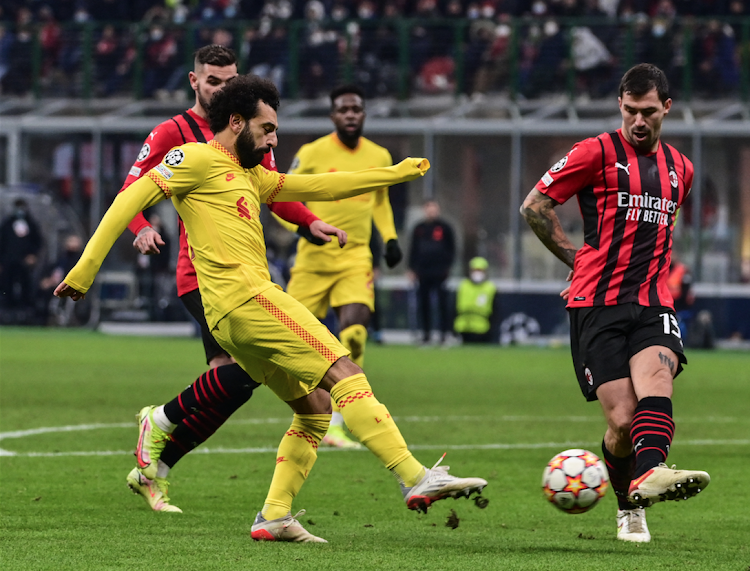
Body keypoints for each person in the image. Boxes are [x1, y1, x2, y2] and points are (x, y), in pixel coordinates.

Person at [55, 74, 487, 543]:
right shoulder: (195, 158)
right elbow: (128, 200)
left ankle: (274, 516)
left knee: (316, 408)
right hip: (248, 299)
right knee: (343, 370)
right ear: (236, 122)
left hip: (232, 317)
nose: (274, 138)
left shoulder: (252, 174)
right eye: (267, 129)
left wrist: (395, 173)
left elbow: (317, 186)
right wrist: (84, 271)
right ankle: (414, 476)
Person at [118, 45, 346, 513]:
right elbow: (132, 187)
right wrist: (141, 229)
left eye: (230, 80)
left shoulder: (250, 128)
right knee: (242, 374)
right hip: (201, 274)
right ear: (194, 81)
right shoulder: (173, 132)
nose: (222, 89)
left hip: (245, 276)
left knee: (234, 386)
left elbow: (274, 190)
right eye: (214, 81)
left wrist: (307, 222)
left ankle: (154, 468)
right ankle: (157, 422)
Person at [520, 63, 710, 544]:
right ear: (619, 106)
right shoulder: (594, 152)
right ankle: (629, 505)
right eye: (630, 111)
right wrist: (574, 257)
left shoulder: (681, 171)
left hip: (651, 301)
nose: (638, 121)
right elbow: (534, 207)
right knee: (622, 421)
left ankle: (650, 474)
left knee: (658, 381)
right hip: (596, 303)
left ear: (666, 108)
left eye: (649, 111)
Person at [284, 84, 404, 449]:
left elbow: (380, 201)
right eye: (343, 109)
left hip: (354, 257)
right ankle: (308, 411)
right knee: (289, 343)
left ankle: (338, 421)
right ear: (333, 115)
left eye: (356, 109)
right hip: (312, 262)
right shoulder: (312, 152)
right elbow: (282, 194)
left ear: (364, 113)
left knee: (353, 331)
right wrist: (301, 228)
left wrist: (390, 238)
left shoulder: (379, 154)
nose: (351, 114)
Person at [408, 200, 456, 344]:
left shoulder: (445, 227)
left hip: (440, 272)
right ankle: (426, 334)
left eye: (434, 209)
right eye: (429, 209)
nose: (431, 212)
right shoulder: (419, 228)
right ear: (425, 210)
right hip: (423, 272)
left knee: (442, 304)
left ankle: (443, 335)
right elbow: (413, 249)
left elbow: (451, 249)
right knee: (424, 304)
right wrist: (411, 268)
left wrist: (447, 267)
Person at [0, 198, 43, 315]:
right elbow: (2, 242)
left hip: (25, 261)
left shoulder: (31, 224)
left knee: (26, 285)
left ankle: (26, 311)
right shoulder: (7, 223)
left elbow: (37, 241)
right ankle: (7, 311)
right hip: (8, 260)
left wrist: (33, 255)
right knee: (7, 285)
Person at [453, 256, 498, 344]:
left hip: (482, 330)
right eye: (475, 270)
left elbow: (495, 312)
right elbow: (453, 308)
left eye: (480, 271)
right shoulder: (463, 286)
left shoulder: (490, 288)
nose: (477, 273)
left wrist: (493, 331)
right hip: (462, 329)